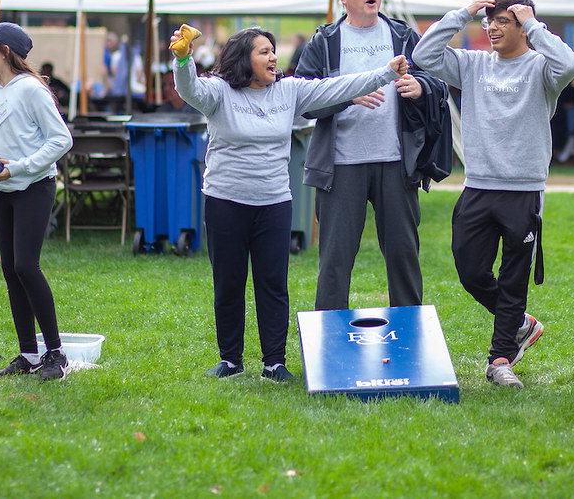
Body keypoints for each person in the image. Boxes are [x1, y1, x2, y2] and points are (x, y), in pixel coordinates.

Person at [171, 24, 409, 382]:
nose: (272, 57)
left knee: (273, 284)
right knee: (229, 282)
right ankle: (231, 360)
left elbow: (338, 87)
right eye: (263, 52)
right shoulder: (219, 92)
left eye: (272, 51)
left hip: (274, 202)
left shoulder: (289, 91)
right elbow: (188, 88)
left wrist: (386, 73)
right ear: (243, 59)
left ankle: (274, 362)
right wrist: (183, 58)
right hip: (225, 201)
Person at [412, 0, 574, 389]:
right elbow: (424, 53)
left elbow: (570, 63)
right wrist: (465, 13)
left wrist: (535, 24)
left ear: (523, 24)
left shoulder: (543, 69)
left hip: (523, 191)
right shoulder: (471, 65)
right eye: (489, 21)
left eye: (504, 20)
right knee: (469, 270)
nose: (492, 28)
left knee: (513, 278)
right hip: (478, 186)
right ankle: (520, 323)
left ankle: (500, 359)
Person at [295, 0, 427, 312]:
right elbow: (304, 100)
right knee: (335, 262)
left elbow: (434, 80)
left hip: (396, 162)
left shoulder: (402, 36)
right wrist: (346, 97)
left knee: (404, 257)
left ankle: (411, 335)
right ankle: (328, 344)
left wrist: (420, 85)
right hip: (340, 165)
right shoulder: (325, 42)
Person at [0, 23, 74, 382]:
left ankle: (56, 354)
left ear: (5, 51)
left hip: (35, 186)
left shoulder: (31, 89)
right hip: (3, 192)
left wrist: (21, 167)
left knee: (27, 266)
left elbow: (61, 139)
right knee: (11, 270)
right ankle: (29, 355)